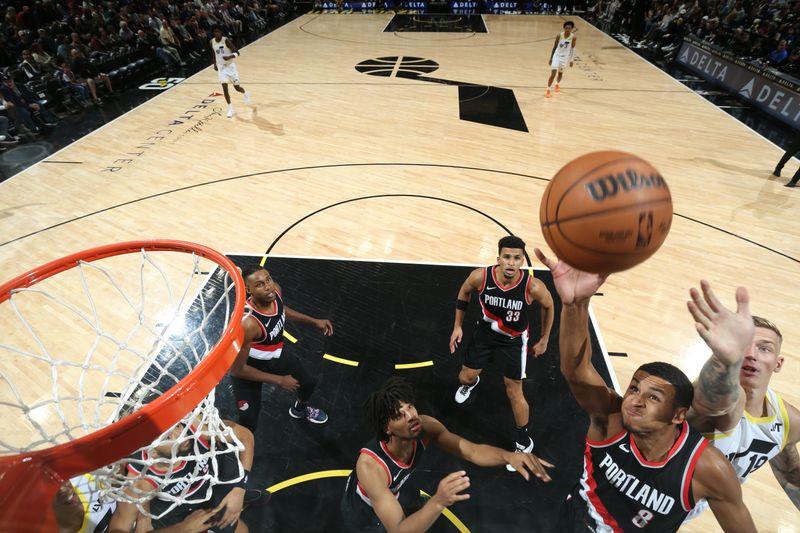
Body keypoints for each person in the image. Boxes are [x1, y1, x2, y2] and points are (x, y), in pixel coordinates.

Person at [534, 249, 757, 532]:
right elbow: (576, 370)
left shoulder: (706, 470)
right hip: (573, 521)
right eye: (634, 388)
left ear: (678, 416)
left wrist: (730, 363)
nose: (635, 401)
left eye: (653, 397)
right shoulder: (610, 419)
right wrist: (575, 305)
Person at [341, 377, 553, 532]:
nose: (411, 416)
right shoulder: (370, 466)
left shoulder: (426, 427)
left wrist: (509, 456)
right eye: (399, 415)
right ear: (387, 428)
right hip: (364, 513)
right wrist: (438, 501)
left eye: (410, 407)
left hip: (392, 491)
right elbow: (398, 531)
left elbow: (472, 451)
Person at [684, 281, 800, 517]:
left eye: (764, 348)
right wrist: (724, 360)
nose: (750, 355)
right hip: (627, 493)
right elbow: (712, 402)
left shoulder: (788, 421)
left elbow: (790, 473)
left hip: (677, 513)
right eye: (743, 346)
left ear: (778, 363)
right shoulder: (718, 397)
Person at [449, 235, 554, 466]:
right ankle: (472, 384)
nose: (511, 262)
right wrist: (458, 326)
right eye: (507, 257)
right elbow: (464, 292)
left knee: (514, 389)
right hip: (485, 333)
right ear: (498, 258)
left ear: (522, 262)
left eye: (517, 258)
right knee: (465, 377)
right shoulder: (481, 277)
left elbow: (549, 305)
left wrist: (545, 338)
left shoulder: (532, 286)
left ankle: (523, 441)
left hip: (514, 341)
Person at [230, 265, 333, 432]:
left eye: (268, 279)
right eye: (259, 284)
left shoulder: (275, 291)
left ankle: (300, 409)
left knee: (308, 383)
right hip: (247, 370)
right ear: (248, 290)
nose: (268, 286)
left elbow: (280, 311)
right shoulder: (248, 323)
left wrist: (314, 321)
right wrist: (279, 380)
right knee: (249, 423)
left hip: (273, 357)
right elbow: (237, 370)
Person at [108, 420, 256, 533]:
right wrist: (182, 528)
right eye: (168, 436)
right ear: (153, 453)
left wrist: (239, 489)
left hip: (209, 488)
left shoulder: (196, 428)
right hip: (173, 514)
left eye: (177, 425)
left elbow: (245, 436)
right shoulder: (142, 481)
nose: (180, 434)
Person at [210, 26, 251, 118]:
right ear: (213, 33)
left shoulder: (226, 41)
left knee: (237, 88)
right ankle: (230, 108)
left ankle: (245, 93)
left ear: (221, 32)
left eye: (219, 31)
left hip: (230, 67)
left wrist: (229, 57)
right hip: (221, 68)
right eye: (215, 32)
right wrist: (215, 64)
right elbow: (213, 53)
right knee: (225, 88)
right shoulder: (211, 42)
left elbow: (237, 52)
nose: (217, 33)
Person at [546, 21, 577, 98]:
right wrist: (551, 58)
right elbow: (554, 47)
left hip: (565, 57)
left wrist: (571, 60)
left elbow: (573, 49)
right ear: (564, 28)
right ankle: (548, 89)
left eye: (569, 28)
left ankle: (557, 84)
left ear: (572, 29)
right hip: (557, 56)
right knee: (553, 74)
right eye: (566, 28)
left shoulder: (573, 37)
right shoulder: (559, 35)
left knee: (560, 73)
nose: (567, 29)